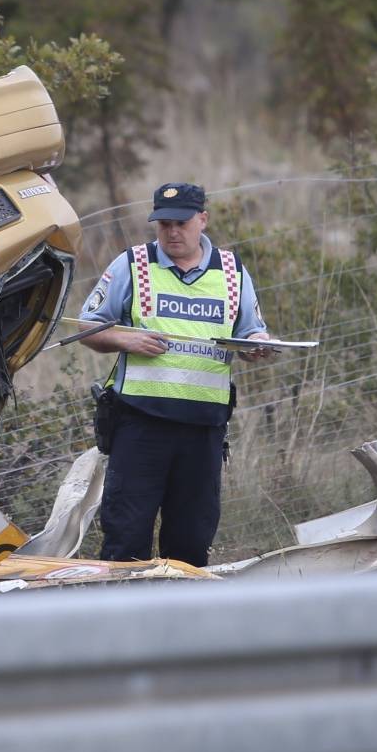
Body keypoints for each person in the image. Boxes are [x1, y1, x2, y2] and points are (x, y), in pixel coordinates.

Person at [78, 182, 274, 567]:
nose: (171, 232)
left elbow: (252, 330)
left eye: (181, 223)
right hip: (139, 426)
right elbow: (87, 327)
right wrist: (128, 340)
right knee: (126, 538)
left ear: (203, 219)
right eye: (163, 223)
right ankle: (121, 621)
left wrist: (258, 344)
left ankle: (182, 624)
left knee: (190, 543)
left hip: (203, 431)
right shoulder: (132, 264)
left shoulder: (232, 271)